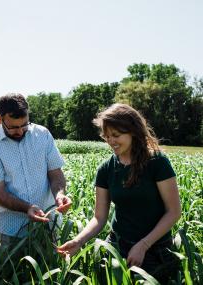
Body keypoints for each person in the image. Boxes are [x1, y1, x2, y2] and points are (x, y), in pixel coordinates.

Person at [57, 103, 181, 283]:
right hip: (117, 246)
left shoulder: (157, 163)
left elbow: (174, 212)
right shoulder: (106, 169)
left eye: (116, 135)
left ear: (133, 131)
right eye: (107, 136)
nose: (111, 141)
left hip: (155, 250)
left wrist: (143, 245)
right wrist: (78, 241)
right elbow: (99, 218)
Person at [0, 93, 72, 246]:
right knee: (5, 270)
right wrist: (27, 208)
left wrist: (60, 194)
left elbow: (55, 174)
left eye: (24, 125)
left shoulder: (42, 135)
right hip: (8, 230)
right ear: (0, 119)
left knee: (49, 269)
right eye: (14, 127)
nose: (20, 131)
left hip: (47, 224)